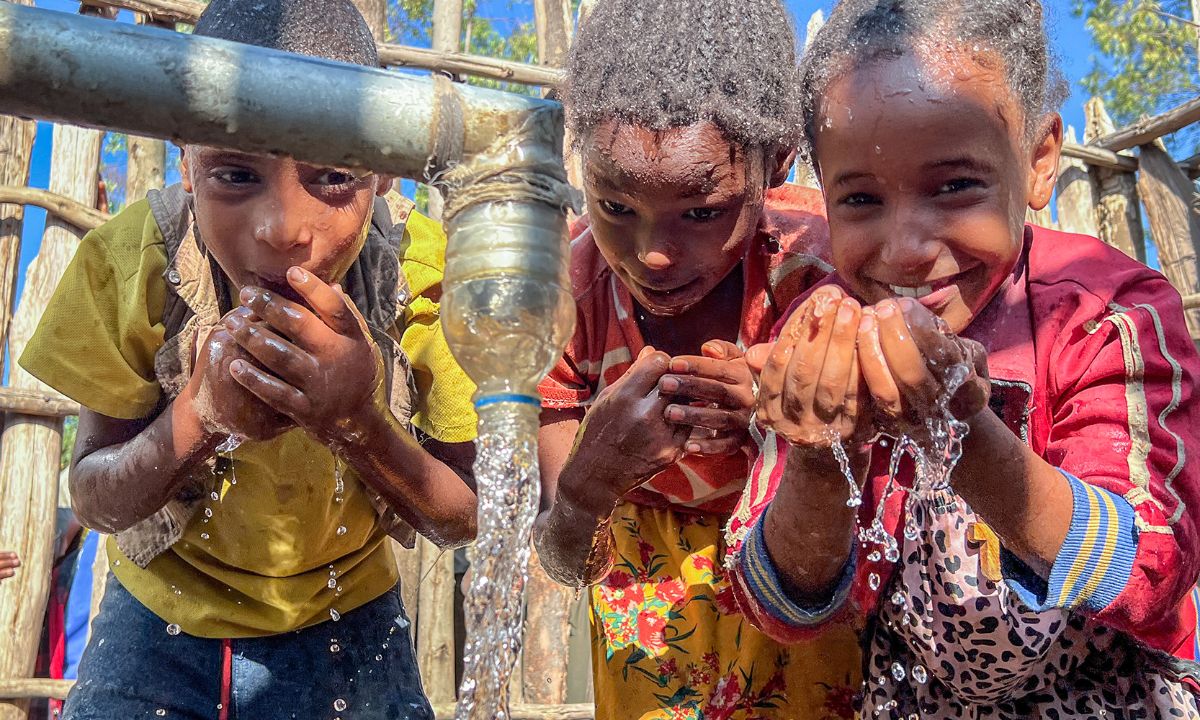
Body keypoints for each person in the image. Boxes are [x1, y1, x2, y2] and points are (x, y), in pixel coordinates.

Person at [729, 0, 1200, 716]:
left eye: (955, 187)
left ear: (1039, 162)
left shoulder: (1106, 313)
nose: (907, 246)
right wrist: (819, 456)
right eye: (860, 198)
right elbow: (779, 605)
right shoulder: (819, 335)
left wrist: (963, 432)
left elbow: (1149, 568)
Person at [19, 1, 478, 717]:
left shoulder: (423, 282)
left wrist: (360, 422)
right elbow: (95, 497)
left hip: (347, 615)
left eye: (331, 177)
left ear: (386, 172)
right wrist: (198, 418)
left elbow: (462, 515)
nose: (282, 229)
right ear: (185, 158)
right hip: (159, 614)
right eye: (235, 175)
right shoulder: (131, 267)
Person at [531, 1, 862, 717]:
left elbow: (895, 479)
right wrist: (592, 481)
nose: (651, 253)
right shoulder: (565, 297)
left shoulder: (822, 280)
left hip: (802, 552)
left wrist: (789, 418)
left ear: (777, 163)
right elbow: (565, 559)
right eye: (614, 206)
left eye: (702, 212)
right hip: (642, 586)